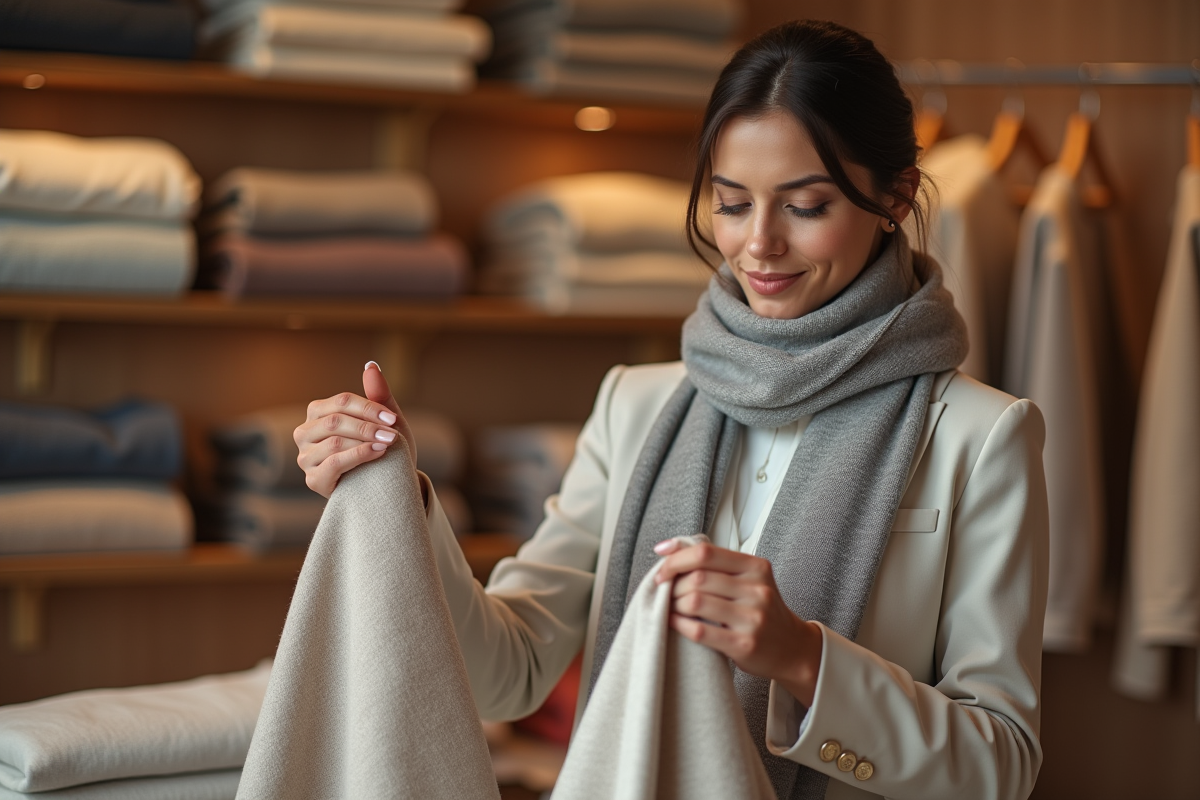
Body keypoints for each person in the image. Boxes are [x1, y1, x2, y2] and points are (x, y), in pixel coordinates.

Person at [293, 20, 1048, 800]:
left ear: (893, 195)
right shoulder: (635, 404)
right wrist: (398, 497)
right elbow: (506, 677)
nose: (759, 244)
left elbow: (1001, 763)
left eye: (807, 206)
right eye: (731, 203)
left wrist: (803, 658)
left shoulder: (980, 435)